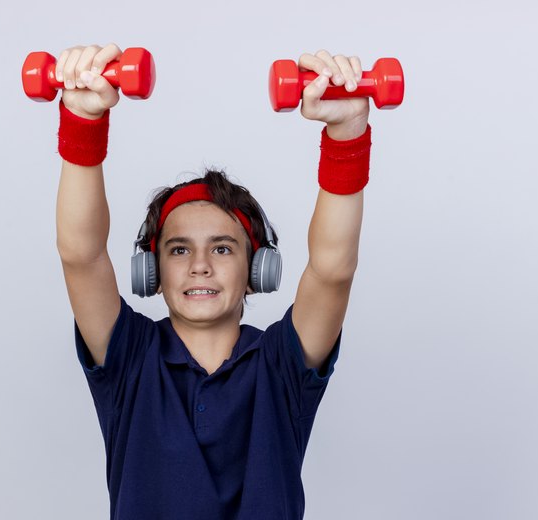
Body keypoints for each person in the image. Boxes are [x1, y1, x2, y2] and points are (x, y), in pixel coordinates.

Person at [54, 42, 372, 520]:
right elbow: (81, 254)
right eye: (178, 249)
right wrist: (83, 120)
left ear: (257, 271)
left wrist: (347, 134)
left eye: (222, 248)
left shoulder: (281, 364)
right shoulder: (130, 357)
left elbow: (332, 270)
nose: (199, 265)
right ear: (152, 272)